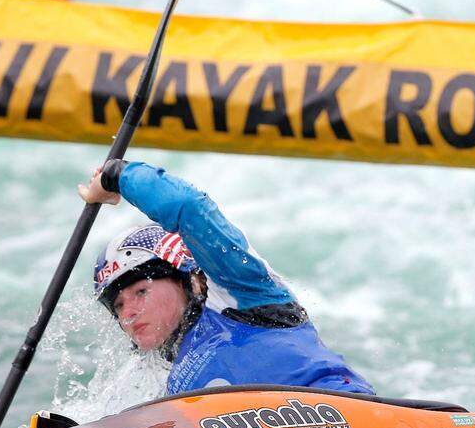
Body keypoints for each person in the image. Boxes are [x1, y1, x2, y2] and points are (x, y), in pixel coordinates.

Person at [78, 158, 374, 396]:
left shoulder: (241, 292)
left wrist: (117, 175)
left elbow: (187, 206)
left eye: (141, 292)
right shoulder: (167, 383)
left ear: (188, 281)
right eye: (118, 305)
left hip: (347, 420)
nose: (128, 313)